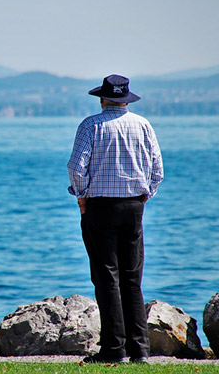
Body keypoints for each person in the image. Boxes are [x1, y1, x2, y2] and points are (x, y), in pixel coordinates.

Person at [67, 74, 164, 364]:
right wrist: (144, 196)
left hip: (99, 208)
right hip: (134, 207)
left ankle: (114, 349)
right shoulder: (143, 125)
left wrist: (81, 196)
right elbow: (157, 169)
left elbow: (75, 166)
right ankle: (140, 351)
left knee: (106, 278)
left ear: (102, 98)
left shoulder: (91, 125)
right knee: (132, 279)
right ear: (126, 99)